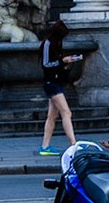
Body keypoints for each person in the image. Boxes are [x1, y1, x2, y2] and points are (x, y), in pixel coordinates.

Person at [36, 19, 84, 155]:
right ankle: (73, 144)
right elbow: (46, 64)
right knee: (66, 112)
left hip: (53, 82)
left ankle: (45, 146)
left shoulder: (53, 43)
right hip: (52, 82)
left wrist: (63, 61)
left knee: (52, 115)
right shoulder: (48, 43)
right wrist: (62, 61)